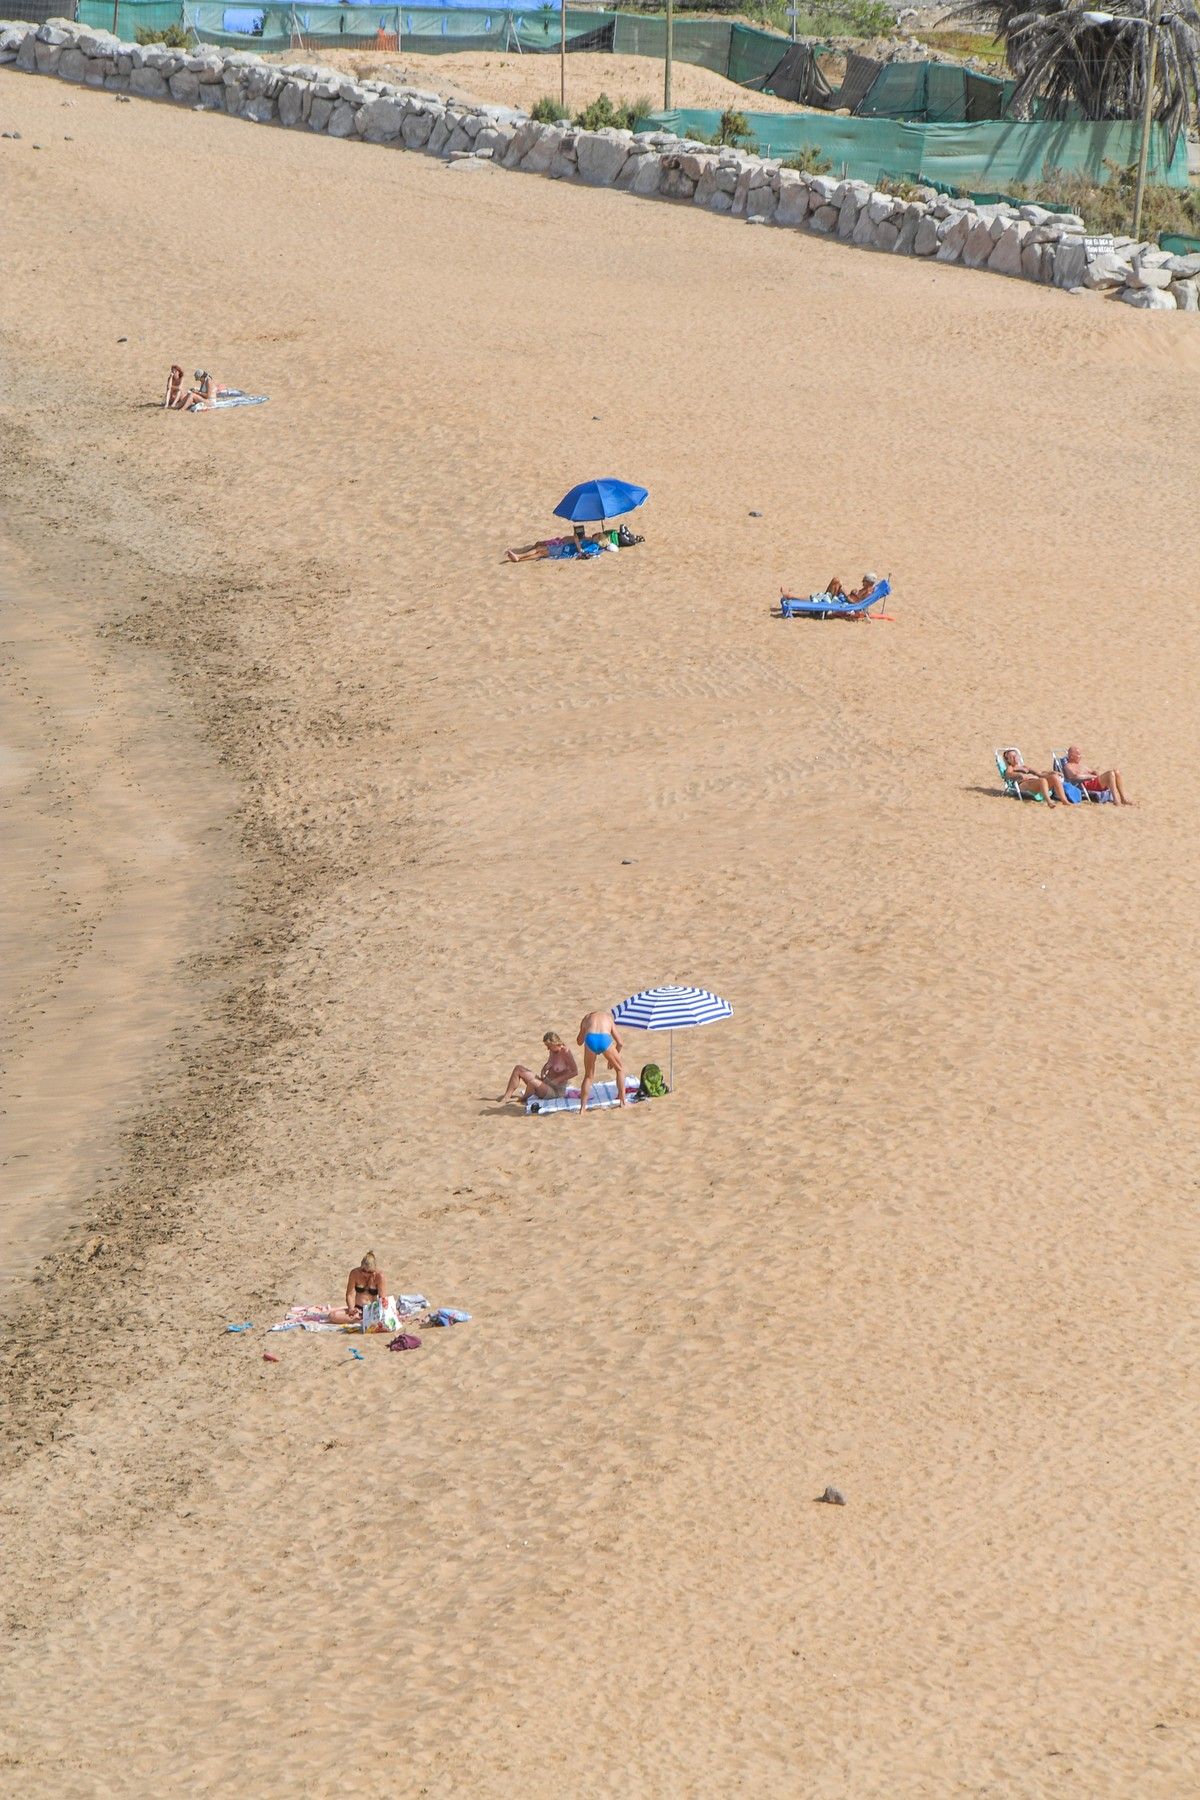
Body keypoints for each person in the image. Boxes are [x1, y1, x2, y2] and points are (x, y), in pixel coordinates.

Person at [498, 1031, 578, 1105]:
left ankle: (523, 1099)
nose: (547, 1049)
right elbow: (549, 1064)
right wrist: (543, 1071)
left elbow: (575, 1072)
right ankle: (507, 1096)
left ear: (555, 1043)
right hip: (546, 1082)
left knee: (533, 1082)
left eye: (548, 1046)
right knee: (518, 1069)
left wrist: (558, 1079)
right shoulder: (553, 1051)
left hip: (555, 1091)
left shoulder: (566, 1052)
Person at [576, 1007, 625, 1114]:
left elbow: (579, 1041)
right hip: (604, 1039)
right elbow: (620, 1043)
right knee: (620, 1069)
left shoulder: (587, 1018)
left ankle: (582, 1108)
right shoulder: (608, 1018)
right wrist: (612, 1059)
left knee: (588, 1076)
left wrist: (584, 1033)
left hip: (590, 1039)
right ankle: (622, 1102)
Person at [326, 1251, 387, 1325]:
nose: (366, 1274)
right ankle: (360, 1321)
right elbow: (350, 1294)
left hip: (372, 1309)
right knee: (332, 1316)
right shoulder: (355, 1273)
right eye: (364, 1271)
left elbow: (382, 1298)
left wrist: (377, 1311)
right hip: (358, 1309)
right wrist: (351, 1309)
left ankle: (364, 1320)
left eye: (370, 1272)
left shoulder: (380, 1276)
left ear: (374, 1269)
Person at [1061, 744, 1133, 806]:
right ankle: (1116, 800)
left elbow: (1092, 771)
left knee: (1116, 772)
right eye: (1078, 755)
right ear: (1071, 756)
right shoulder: (1068, 766)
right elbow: (1074, 776)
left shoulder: (1079, 765)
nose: (1080, 757)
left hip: (1094, 781)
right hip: (1087, 784)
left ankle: (1123, 798)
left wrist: (1095, 773)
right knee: (1110, 773)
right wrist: (1091, 777)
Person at [1001, 748, 1073, 805]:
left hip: (1036, 782)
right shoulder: (1011, 768)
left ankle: (1064, 800)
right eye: (1012, 757)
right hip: (1024, 784)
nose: (1015, 758)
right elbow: (1008, 774)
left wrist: (1052, 772)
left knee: (1054, 777)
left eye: (1015, 756)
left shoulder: (1024, 767)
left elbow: (1040, 773)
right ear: (1008, 760)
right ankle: (1049, 801)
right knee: (1042, 780)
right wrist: (1019, 775)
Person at [506, 524, 593, 563]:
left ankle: (519, 558)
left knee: (540, 552)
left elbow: (580, 550)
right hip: (562, 547)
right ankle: (520, 556)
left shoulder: (589, 546)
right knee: (539, 549)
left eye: (597, 536)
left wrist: (577, 538)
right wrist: (579, 536)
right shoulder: (587, 540)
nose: (594, 536)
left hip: (563, 550)